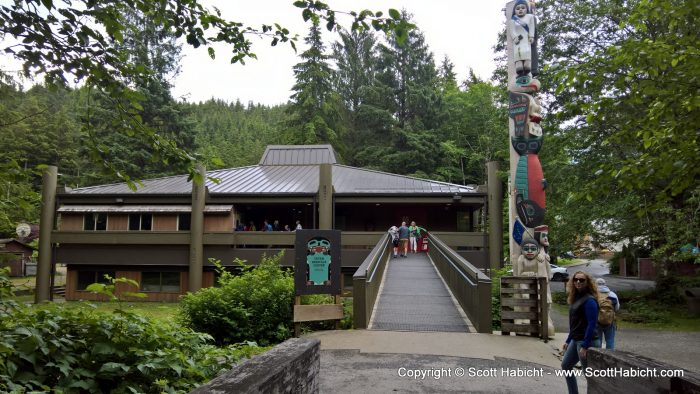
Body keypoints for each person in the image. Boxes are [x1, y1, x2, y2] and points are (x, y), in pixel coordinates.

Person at [562, 271, 601, 394]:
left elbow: (592, 324)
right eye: (576, 279)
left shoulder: (589, 300)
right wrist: (568, 340)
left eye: (582, 280)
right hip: (576, 339)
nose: (578, 281)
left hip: (586, 341)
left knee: (589, 375)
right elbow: (575, 323)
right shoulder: (575, 297)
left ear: (587, 282)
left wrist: (585, 345)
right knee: (566, 366)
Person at [509, 0, 535, 82]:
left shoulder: (530, 17)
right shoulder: (513, 20)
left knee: (527, 65)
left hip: (526, 42)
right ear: (514, 10)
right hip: (518, 42)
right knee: (519, 65)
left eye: (523, 8)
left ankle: (527, 73)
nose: (520, 10)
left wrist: (531, 36)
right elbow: (512, 30)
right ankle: (520, 73)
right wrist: (514, 37)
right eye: (518, 8)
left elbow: (531, 27)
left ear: (526, 9)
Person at [596, 278, 620, 349]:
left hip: (597, 321)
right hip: (610, 321)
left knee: (598, 341)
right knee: (610, 341)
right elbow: (617, 308)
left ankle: (597, 357)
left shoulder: (593, 294)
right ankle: (610, 357)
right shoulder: (612, 294)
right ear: (605, 284)